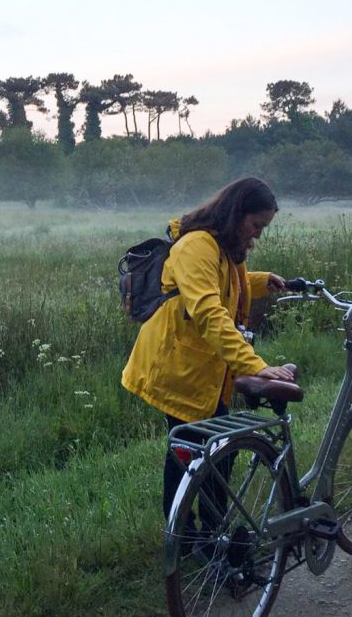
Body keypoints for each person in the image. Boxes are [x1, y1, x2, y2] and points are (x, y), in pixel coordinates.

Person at [120, 176, 295, 531]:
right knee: (191, 456)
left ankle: (207, 535)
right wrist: (256, 366)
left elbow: (226, 282)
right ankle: (186, 539)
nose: (258, 234)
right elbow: (209, 311)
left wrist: (261, 282)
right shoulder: (196, 246)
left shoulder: (226, 246)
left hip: (202, 371)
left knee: (208, 452)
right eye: (256, 224)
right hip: (176, 369)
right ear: (236, 212)